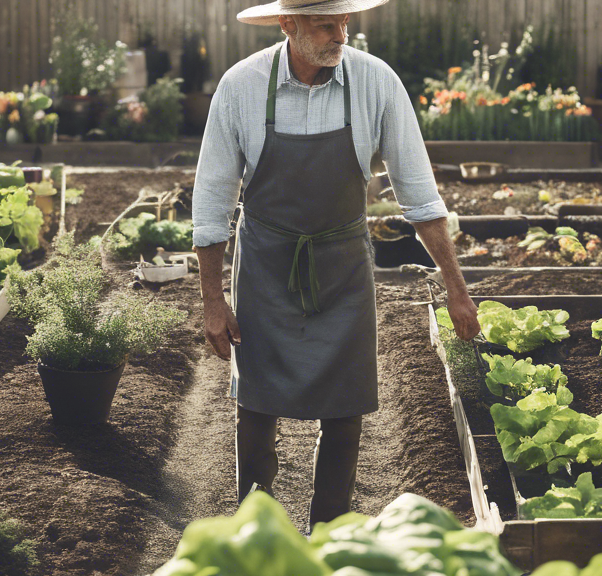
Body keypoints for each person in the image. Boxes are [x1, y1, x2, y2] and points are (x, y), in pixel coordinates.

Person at [191, 0, 480, 526]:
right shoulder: (241, 86)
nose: (339, 34)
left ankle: (329, 532)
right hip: (265, 265)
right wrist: (213, 299)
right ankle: (256, 528)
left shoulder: (376, 82)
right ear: (287, 25)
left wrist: (456, 287)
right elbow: (211, 200)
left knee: (345, 411)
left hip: (343, 264)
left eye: (343, 22)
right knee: (256, 405)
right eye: (325, 24)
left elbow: (420, 196)